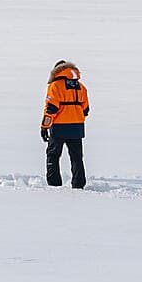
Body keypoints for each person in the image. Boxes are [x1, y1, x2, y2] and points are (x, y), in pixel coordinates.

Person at [41, 60, 89, 189]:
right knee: (77, 157)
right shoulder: (81, 87)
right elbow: (86, 110)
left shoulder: (55, 86)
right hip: (77, 127)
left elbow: (51, 109)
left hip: (59, 127)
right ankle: (79, 184)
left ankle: (54, 184)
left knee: (53, 155)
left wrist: (45, 126)